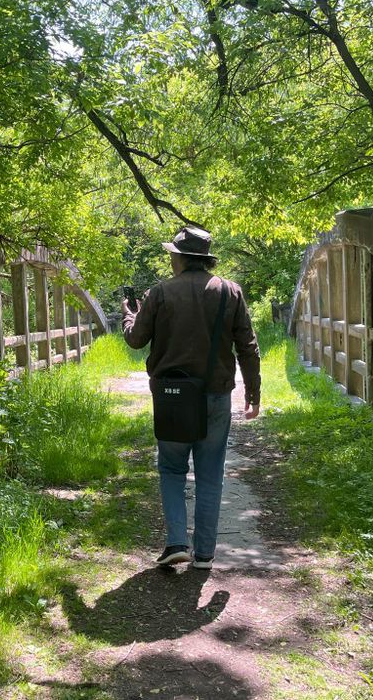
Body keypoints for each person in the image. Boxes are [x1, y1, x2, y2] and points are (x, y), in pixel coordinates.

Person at [122, 226, 261, 569]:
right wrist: (253, 393)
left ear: (180, 258)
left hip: (172, 397)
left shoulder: (160, 293)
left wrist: (130, 313)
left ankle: (175, 543)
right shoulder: (230, 292)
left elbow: (136, 339)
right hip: (215, 396)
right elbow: (248, 347)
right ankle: (204, 554)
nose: (171, 259)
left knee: (171, 468)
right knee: (210, 473)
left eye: (172, 254)